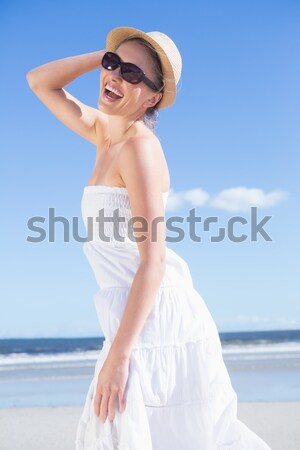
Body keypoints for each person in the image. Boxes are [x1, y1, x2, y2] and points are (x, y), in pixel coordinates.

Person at [26, 26, 272, 450]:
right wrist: (106, 57)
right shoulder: (105, 135)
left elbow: (153, 261)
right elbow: (39, 81)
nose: (117, 78)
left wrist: (120, 354)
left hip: (155, 319)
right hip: (131, 313)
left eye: (134, 75)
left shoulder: (139, 147)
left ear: (154, 97)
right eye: (113, 66)